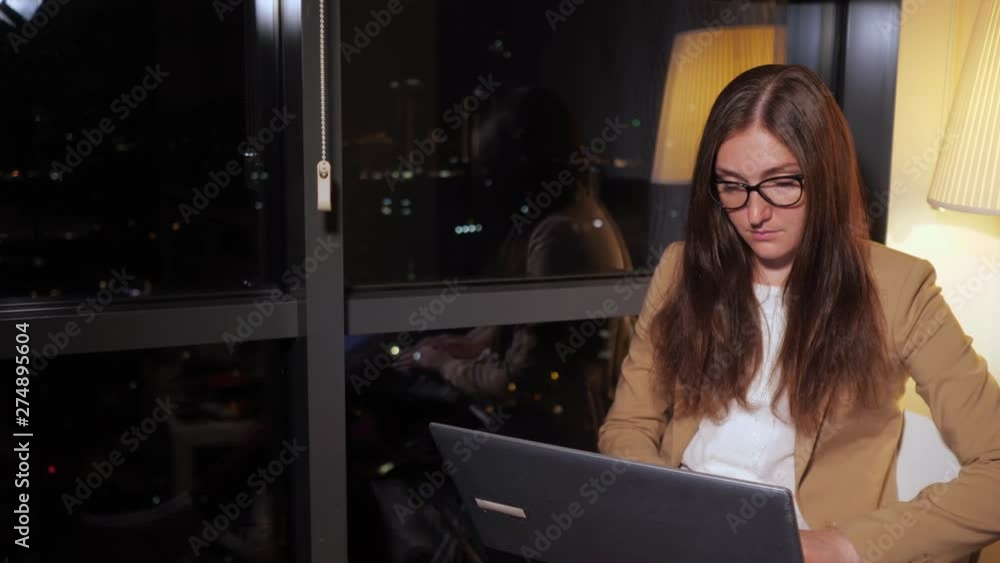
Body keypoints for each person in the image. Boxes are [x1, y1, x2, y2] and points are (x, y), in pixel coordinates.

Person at [598, 64, 999, 563]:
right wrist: (665, 510)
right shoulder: (682, 270)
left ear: (826, 177)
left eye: (781, 182)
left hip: (804, 545)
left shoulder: (899, 288)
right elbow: (627, 426)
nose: (754, 214)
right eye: (732, 185)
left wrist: (845, 545)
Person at [395, 86, 634, 451]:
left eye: (492, 165)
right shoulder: (583, 213)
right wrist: (472, 343)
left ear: (520, 164)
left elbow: (518, 382)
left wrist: (443, 365)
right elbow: (539, 335)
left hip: (557, 442)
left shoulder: (557, 235)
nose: (488, 180)